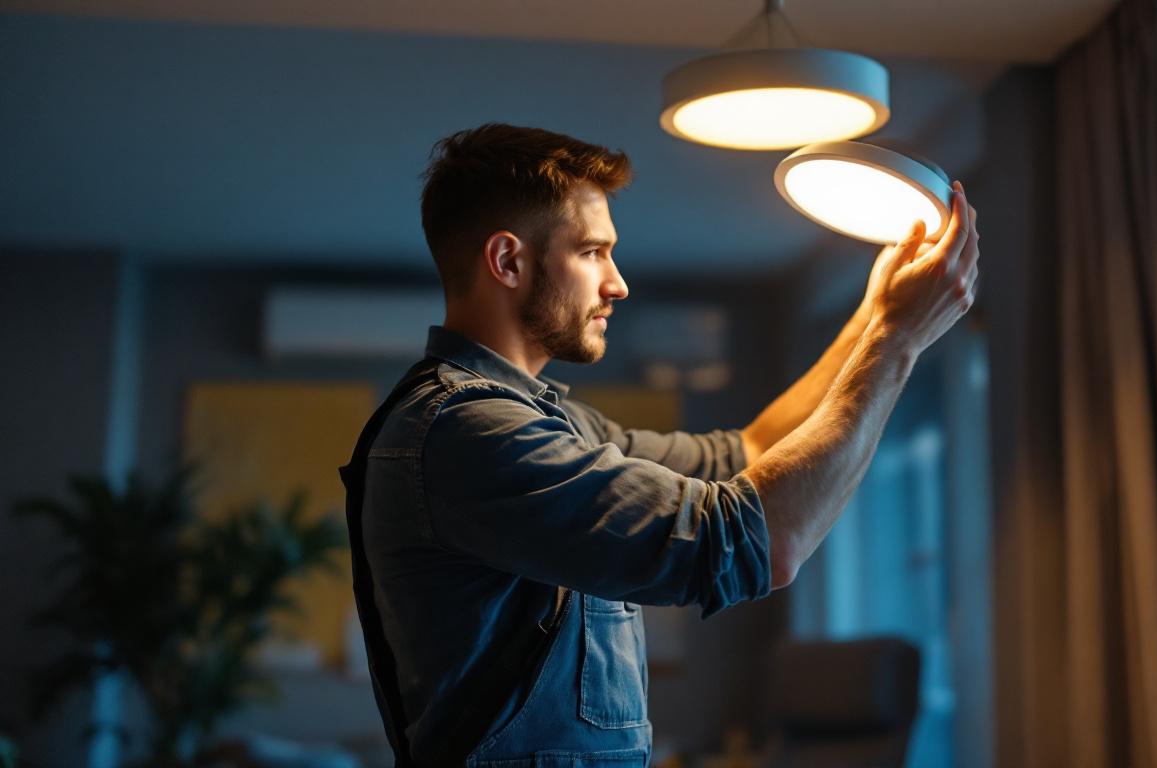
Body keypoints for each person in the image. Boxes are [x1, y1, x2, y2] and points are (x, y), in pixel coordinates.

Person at [340, 123, 980, 767]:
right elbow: (758, 541)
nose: (617, 284)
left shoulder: (552, 425)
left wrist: (875, 317)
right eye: (592, 252)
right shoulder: (469, 432)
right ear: (508, 261)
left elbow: (749, 453)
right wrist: (896, 342)